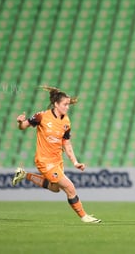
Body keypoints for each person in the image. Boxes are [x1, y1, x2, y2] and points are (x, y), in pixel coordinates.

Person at [12, 86, 101, 223]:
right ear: (56, 104)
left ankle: (25, 175)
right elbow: (23, 126)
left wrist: (75, 162)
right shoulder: (42, 116)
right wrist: (20, 122)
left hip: (57, 160)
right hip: (44, 161)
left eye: (68, 104)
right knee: (70, 188)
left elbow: (67, 143)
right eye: (65, 104)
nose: (67, 107)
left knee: (55, 188)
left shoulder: (66, 121)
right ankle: (84, 216)